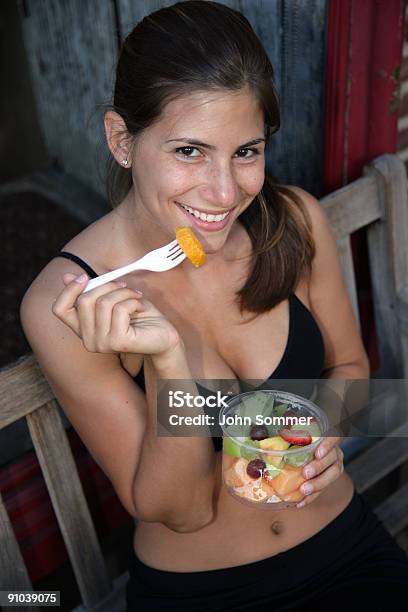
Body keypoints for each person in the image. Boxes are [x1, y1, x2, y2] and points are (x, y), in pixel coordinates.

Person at [20, 2, 408, 610]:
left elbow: (351, 372)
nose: (225, 193)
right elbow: (183, 509)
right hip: (206, 592)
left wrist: (327, 434)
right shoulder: (70, 303)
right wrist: (168, 362)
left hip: (345, 547)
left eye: (246, 152)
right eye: (189, 152)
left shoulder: (293, 223)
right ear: (122, 139)